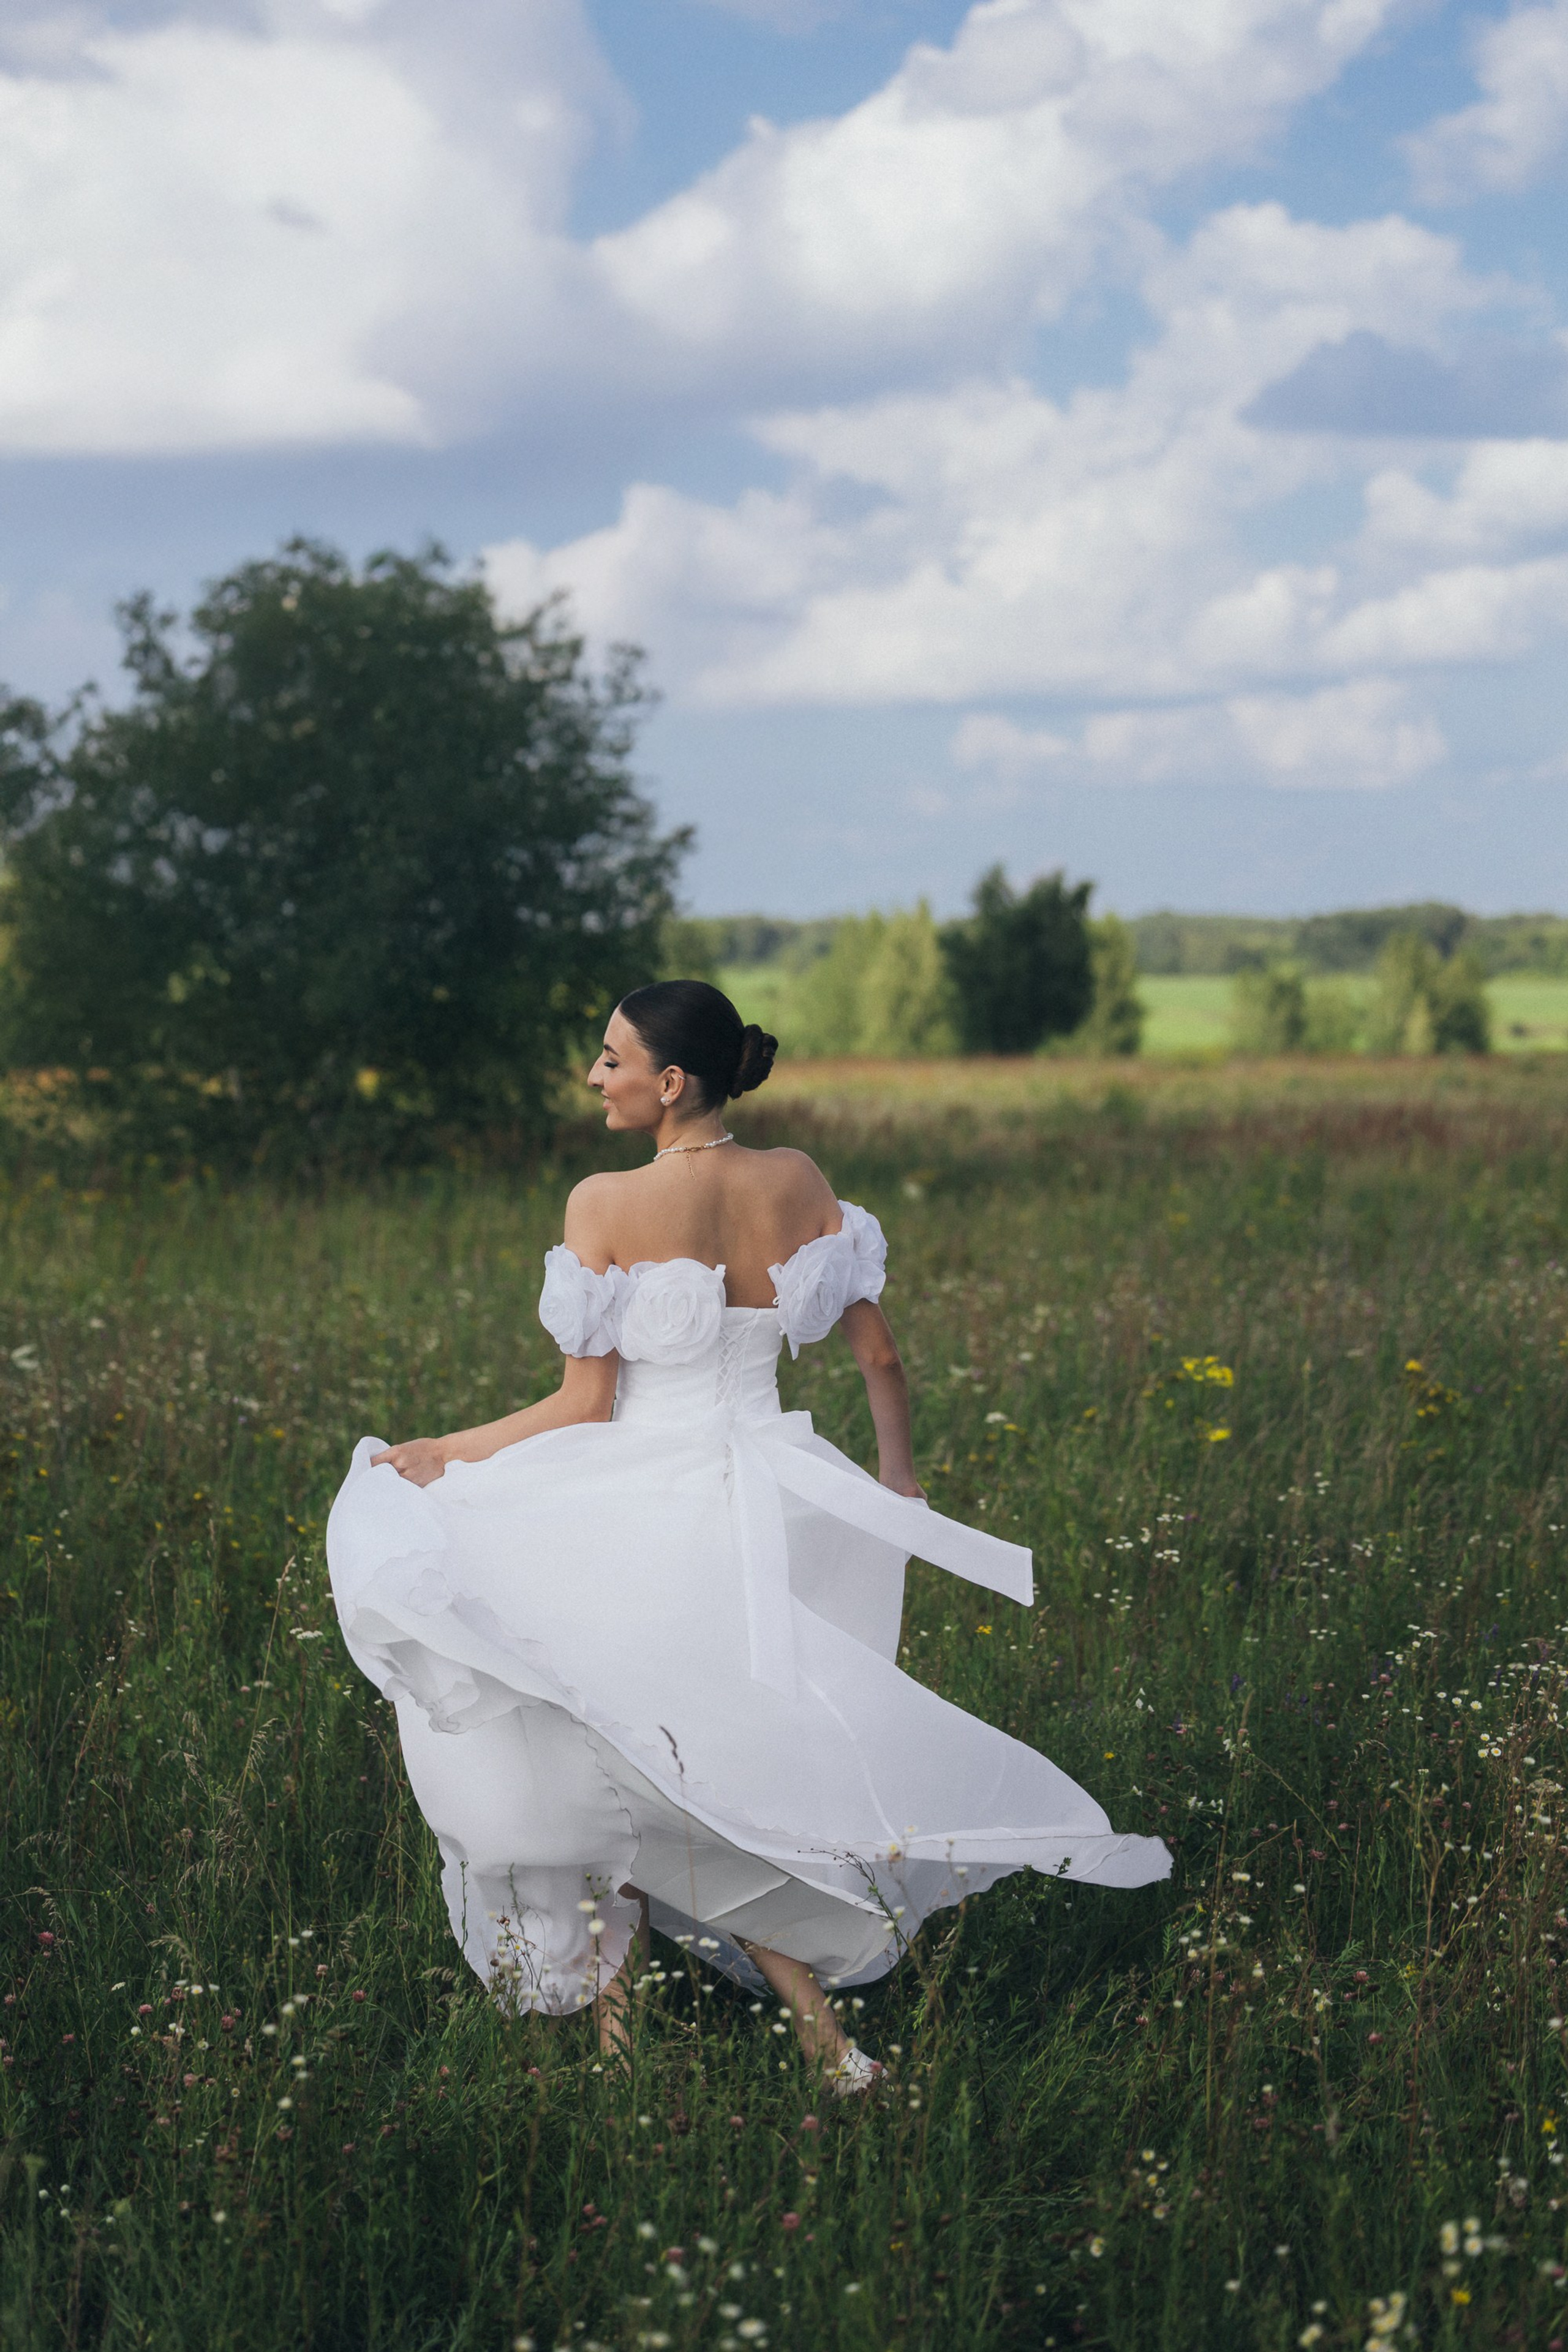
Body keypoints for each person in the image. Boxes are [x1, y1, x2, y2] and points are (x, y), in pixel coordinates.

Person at [326, 979, 1169, 2094]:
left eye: (613, 1058)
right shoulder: (799, 1181)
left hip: (644, 1501)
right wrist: (898, 1487)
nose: (596, 1075)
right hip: (776, 1502)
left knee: (604, 1738)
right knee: (708, 1761)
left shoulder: (603, 1203)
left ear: (670, 1083)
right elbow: (881, 1361)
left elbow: (582, 1406)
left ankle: (636, 2046)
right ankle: (812, 2042)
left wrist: (446, 1448)